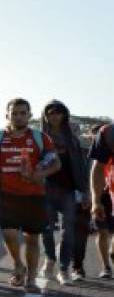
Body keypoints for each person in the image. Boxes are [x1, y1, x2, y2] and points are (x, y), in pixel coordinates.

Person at [0, 98, 60, 294]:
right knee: (9, 234)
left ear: (29, 116)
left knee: (32, 239)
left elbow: (57, 164)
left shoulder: (41, 138)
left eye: (23, 113)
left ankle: (31, 280)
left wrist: (39, 174)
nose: (19, 116)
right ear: (7, 115)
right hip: (7, 194)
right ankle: (17, 264)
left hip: (34, 195)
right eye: (14, 113)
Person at [39, 100, 89, 284]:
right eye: (50, 112)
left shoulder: (72, 138)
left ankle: (64, 269)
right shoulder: (39, 137)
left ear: (64, 115)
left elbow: (81, 167)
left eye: (58, 112)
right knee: (46, 229)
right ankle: (50, 259)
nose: (54, 116)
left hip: (68, 189)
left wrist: (84, 192)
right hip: (46, 188)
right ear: (45, 115)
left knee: (69, 231)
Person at [88, 122, 114, 278]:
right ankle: (106, 265)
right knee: (103, 233)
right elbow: (97, 168)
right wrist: (95, 201)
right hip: (109, 191)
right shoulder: (108, 133)